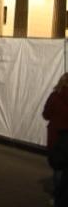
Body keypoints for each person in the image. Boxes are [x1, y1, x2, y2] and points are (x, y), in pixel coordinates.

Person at [44, 73, 68, 206]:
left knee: (58, 168)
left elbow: (46, 114)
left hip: (56, 137)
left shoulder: (54, 96)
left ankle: (58, 198)